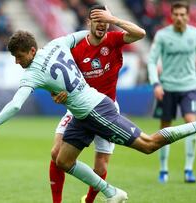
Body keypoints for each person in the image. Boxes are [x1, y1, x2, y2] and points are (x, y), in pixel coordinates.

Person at [0, 9, 196, 203]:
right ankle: (112, 192)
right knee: (62, 160)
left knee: (148, 144)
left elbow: (14, 105)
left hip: (97, 109)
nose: (16, 61)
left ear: (31, 51)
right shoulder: (57, 43)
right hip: (80, 112)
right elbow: (82, 38)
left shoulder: (32, 74)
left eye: (18, 56)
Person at [48, 5, 145, 203]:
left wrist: (114, 19)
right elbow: (58, 78)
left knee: (101, 166)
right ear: (88, 22)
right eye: (98, 20)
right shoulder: (76, 49)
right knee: (56, 154)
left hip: (107, 108)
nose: (102, 25)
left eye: (105, 21)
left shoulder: (113, 40)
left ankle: (89, 201)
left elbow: (140, 33)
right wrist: (57, 93)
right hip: (80, 108)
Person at [147, 1, 196, 183]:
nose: (179, 18)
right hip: (166, 88)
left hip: (189, 87)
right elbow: (152, 60)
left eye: (183, 14)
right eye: (176, 14)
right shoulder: (162, 35)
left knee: (192, 125)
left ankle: (188, 169)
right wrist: (156, 84)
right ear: (171, 15)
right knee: (166, 128)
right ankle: (163, 170)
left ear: (188, 16)